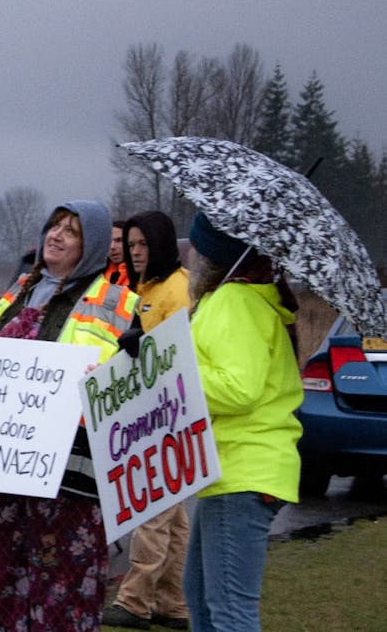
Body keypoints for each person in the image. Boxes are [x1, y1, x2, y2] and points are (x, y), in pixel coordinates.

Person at [0, 200, 140, 632]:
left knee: (64, 586)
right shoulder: (17, 292)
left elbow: (130, 389)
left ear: (94, 245)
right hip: (0, 461)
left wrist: (129, 359)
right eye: (54, 225)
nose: (57, 235)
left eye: (72, 230)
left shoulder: (120, 304)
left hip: (70, 471)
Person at [181, 212, 303, 632]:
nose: (191, 253)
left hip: (243, 470)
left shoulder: (238, 301)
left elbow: (239, 388)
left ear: (216, 253)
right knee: (198, 593)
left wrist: (176, 376)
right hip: (230, 469)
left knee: (231, 609)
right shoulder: (229, 300)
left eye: (198, 245)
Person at [104, 210, 192, 630]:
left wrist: (146, 344)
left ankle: (134, 601)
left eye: (143, 245)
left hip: (170, 416)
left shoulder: (177, 289)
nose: (135, 252)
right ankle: (173, 605)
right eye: (132, 244)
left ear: (160, 245)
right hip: (154, 413)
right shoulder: (148, 287)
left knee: (152, 510)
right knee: (173, 519)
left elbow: (179, 354)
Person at [106, 217, 132, 287]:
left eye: (119, 240)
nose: (112, 247)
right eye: (108, 241)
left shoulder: (141, 276)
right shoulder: (97, 276)